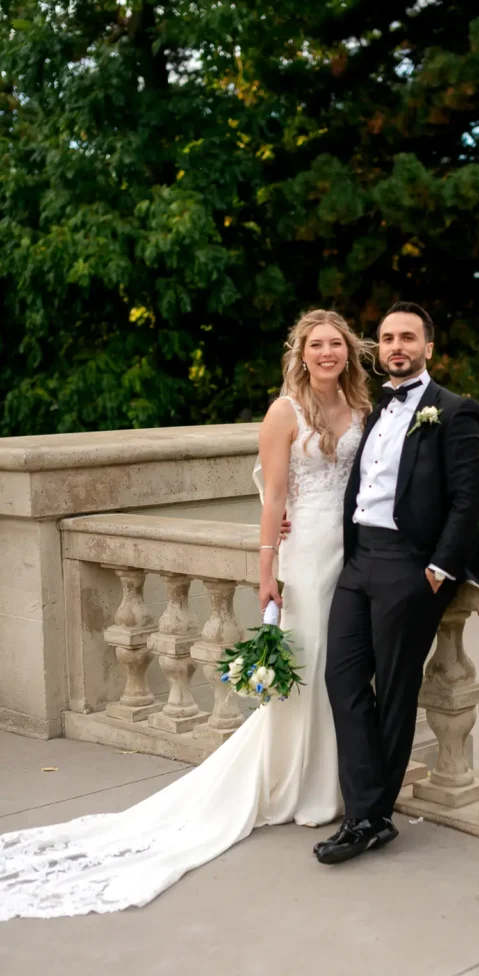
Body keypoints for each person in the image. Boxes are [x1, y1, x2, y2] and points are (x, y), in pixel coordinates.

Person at [0, 308, 372, 921]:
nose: (327, 353)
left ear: (349, 353)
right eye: (316, 345)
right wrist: (266, 571)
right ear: (301, 354)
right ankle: (293, 786)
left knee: (344, 673)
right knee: (307, 668)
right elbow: (275, 496)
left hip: (354, 553)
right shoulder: (285, 413)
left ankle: (333, 783)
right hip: (306, 554)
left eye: (336, 344)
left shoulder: (362, 409)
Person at [314, 301, 479, 865]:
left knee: (394, 693)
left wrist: (438, 569)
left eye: (408, 337)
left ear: (428, 348)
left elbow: (468, 499)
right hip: (359, 560)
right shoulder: (374, 410)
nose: (396, 346)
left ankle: (369, 818)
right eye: (388, 337)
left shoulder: (454, 411)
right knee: (341, 681)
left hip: (410, 567)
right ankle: (367, 809)